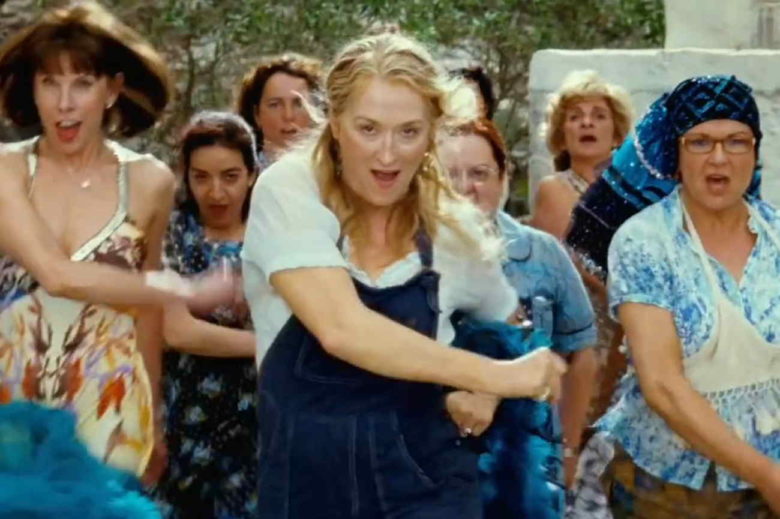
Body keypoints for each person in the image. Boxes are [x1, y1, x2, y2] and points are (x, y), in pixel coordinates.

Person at [242, 33, 567, 518]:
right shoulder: (289, 191)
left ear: (434, 132)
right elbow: (340, 328)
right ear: (335, 123)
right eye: (368, 129)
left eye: (409, 132)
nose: (387, 154)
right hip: (306, 493)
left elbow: (509, 327)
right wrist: (497, 375)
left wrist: (488, 390)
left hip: (430, 491)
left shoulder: (453, 231)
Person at [567, 75, 780, 518]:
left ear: (755, 151)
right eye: (699, 142)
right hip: (666, 489)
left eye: (736, 141)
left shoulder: (776, 235)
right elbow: (663, 385)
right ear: (675, 155)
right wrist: (767, 476)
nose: (719, 157)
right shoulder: (646, 241)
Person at [0, 0, 182, 485]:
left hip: (106, 402)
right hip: (11, 401)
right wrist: (193, 288)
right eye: (49, 82)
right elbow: (56, 277)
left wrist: (152, 416)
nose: (64, 102)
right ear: (32, 89)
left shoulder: (150, 182)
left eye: (82, 83)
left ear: (112, 90)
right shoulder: (7, 169)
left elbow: (146, 311)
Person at [440, 118, 597, 514]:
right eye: (450, 175)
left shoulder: (542, 252)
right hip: (432, 461)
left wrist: (569, 447)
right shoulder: (404, 256)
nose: (465, 187)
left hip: (528, 466)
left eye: (479, 173)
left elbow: (580, 354)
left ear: (503, 177)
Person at [154, 111, 258, 518]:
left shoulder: (275, 235)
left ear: (252, 174)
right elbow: (176, 331)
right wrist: (267, 343)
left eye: (230, 176)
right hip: (180, 419)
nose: (216, 192)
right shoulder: (171, 231)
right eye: (201, 177)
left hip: (256, 424)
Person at [531, 70, 634, 422]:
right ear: (562, 135)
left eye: (598, 116)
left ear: (616, 133)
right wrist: (638, 306)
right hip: (583, 337)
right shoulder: (554, 189)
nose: (587, 123)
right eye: (575, 117)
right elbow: (578, 263)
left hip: (631, 334)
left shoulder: (633, 195)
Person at [235, 53, 322, 168]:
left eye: (299, 104)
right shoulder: (241, 174)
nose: (288, 115)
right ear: (256, 114)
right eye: (275, 105)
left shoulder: (334, 172)